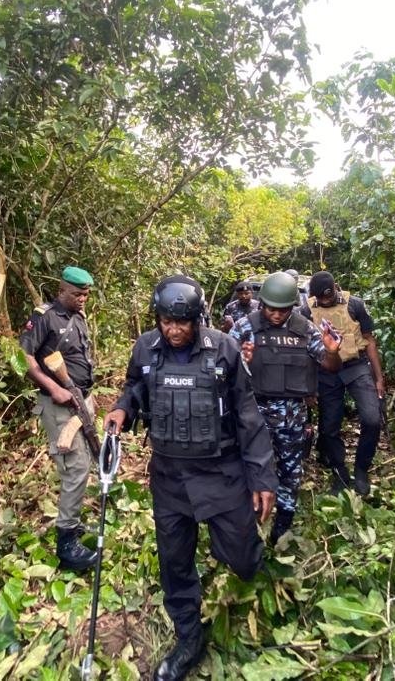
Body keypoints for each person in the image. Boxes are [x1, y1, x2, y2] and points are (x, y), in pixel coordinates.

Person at [105, 275, 276, 681]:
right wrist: (122, 408)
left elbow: (248, 416)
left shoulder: (225, 349)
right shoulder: (145, 348)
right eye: (166, 321)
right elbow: (136, 385)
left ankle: (237, 560)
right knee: (175, 563)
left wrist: (262, 478)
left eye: (182, 322)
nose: (174, 330)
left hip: (221, 473)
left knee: (243, 557)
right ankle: (189, 639)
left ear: (197, 319)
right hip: (169, 478)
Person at [230, 271, 341, 545]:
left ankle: (283, 523)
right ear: (262, 303)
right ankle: (250, 522)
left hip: (291, 417)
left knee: (290, 472)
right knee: (249, 468)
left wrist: (332, 351)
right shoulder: (244, 327)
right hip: (253, 415)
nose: (277, 315)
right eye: (271, 308)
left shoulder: (306, 329)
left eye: (283, 310)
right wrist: (240, 360)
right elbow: (222, 370)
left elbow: (330, 366)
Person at [19, 266, 98, 572]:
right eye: (77, 294)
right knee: (74, 468)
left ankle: (73, 523)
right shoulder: (45, 316)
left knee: (86, 462)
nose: (82, 299)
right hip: (58, 405)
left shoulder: (78, 316)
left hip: (80, 400)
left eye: (86, 294)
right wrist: (53, 388)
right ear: (61, 290)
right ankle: (66, 545)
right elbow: (24, 358)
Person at [303, 271, 386, 496]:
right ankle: (339, 473)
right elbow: (305, 352)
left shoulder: (354, 305)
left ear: (336, 288)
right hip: (326, 371)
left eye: (329, 297)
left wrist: (378, 378)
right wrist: (309, 387)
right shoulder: (306, 311)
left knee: (371, 419)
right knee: (329, 426)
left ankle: (361, 469)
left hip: (356, 366)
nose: (326, 302)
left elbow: (369, 341)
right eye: (321, 299)